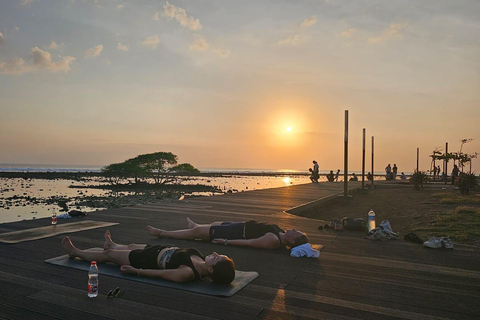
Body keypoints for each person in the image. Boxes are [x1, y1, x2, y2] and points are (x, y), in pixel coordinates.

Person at [61, 230, 235, 285]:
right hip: (157, 249)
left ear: (211, 269)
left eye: (217, 257)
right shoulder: (202, 259)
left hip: (144, 259)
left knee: (108, 256)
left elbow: (160, 275)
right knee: (128, 246)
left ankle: (74, 252)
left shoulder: (188, 273)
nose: (215, 253)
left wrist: (136, 271)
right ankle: (113, 244)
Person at [147, 218, 309, 250]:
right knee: (215, 223)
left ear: (293, 242)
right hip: (237, 226)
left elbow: (249, 243)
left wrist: (225, 242)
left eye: (296, 233)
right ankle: (198, 225)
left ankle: (162, 233)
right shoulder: (279, 233)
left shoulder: (273, 240)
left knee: (195, 233)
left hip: (233, 233)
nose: (293, 229)